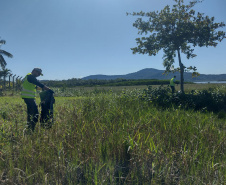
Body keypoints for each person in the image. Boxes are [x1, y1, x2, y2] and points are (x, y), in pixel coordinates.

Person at [21, 68, 51, 132]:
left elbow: (35, 87)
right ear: (34, 71)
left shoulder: (28, 77)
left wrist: (41, 89)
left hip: (27, 97)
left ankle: (29, 127)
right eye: (38, 73)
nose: (38, 75)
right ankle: (31, 129)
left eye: (39, 74)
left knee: (30, 113)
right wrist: (47, 89)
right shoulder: (30, 77)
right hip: (29, 98)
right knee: (35, 114)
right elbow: (38, 83)